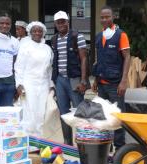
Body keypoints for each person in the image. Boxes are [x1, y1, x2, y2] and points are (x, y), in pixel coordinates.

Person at [92, 6, 131, 151]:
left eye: (107, 17)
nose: (104, 19)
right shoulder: (98, 36)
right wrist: (95, 80)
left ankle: (120, 150)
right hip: (101, 85)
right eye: (102, 17)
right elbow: (98, 60)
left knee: (117, 118)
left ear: (113, 17)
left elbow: (127, 57)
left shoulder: (121, 35)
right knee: (104, 117)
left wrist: (124, 81)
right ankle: (106, 149)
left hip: (115, 85)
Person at [51, 10, 88, 145]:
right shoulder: (54, 39)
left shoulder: (77, 36)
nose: (61, 24)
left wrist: (83, 80)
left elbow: (84, 58)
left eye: (63, 21)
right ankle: (67, 141)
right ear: (55, 24)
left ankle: (83, 140)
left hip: (74, 79)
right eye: (58, 22)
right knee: (63, 111)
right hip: (60, 80)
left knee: (79, 111)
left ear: (68, 22)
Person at [15, 21, 54, 137]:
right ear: (30, 32)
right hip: (28, 83)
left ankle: (38, 141)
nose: (37, 33)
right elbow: (18, 67)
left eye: (40, 31)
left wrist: (51, 85)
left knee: (40, 113)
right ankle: (28, 142)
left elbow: (49, 69)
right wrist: (19, 84)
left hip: (43, 85)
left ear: (43, 33)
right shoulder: (25, 47)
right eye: (34, 31)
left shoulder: (48, 49)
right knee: (29, 113)